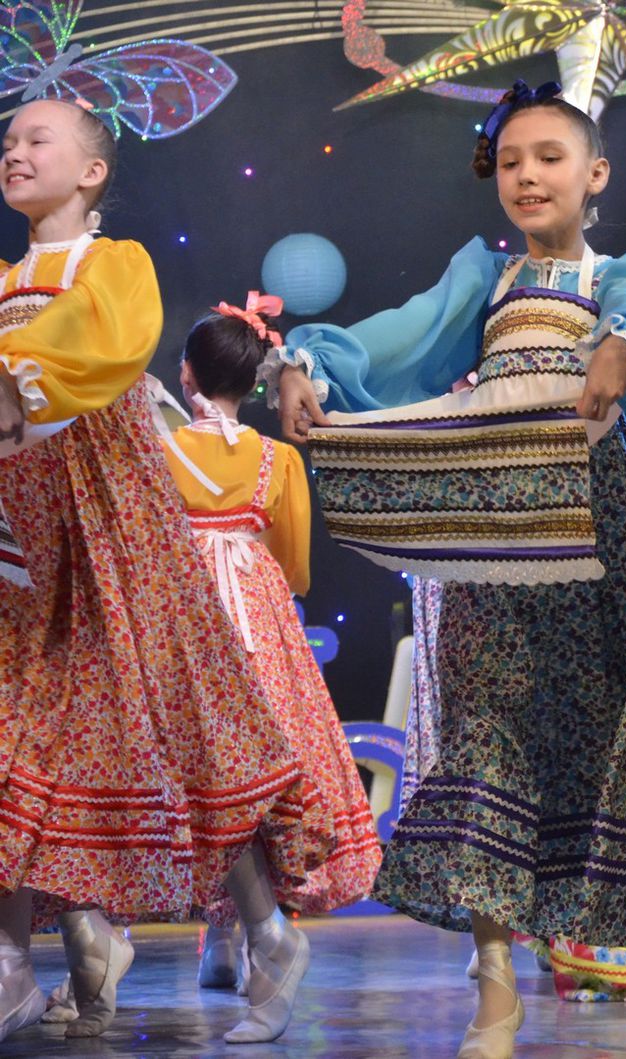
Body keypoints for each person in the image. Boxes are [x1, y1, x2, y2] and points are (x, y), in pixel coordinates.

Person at [272, 80, 626, 1057]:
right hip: (497, 553)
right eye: (511, 161)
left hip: (604, 550)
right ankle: (494, 987)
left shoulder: (620, 278)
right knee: (487, 747)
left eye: (549, 157)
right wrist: (311, 362)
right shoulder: (484, 280)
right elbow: (398, 336)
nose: (527, 175)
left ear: (595, 173)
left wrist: (621, 346)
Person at [0, 98, 329, 1047]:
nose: (14, 151)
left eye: (37, 138)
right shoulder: (4, 282)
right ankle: (14, 960)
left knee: (176, 729)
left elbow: (99, 345)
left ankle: (267, 929)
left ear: (93, 171)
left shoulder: (114, 265)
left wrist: (10, 374)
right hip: (26, 541)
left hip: (111, 531)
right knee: (17, 730)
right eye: (7, 140)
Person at [162, 296, 383, 989]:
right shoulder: (277, 459)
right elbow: (295, 566)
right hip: (258, 619)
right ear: (255, 381)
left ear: (187, 374)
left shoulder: (158, 451)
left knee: (205, 771)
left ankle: (222, 935)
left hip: (189, 620)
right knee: (268, 770)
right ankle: (252, 935)